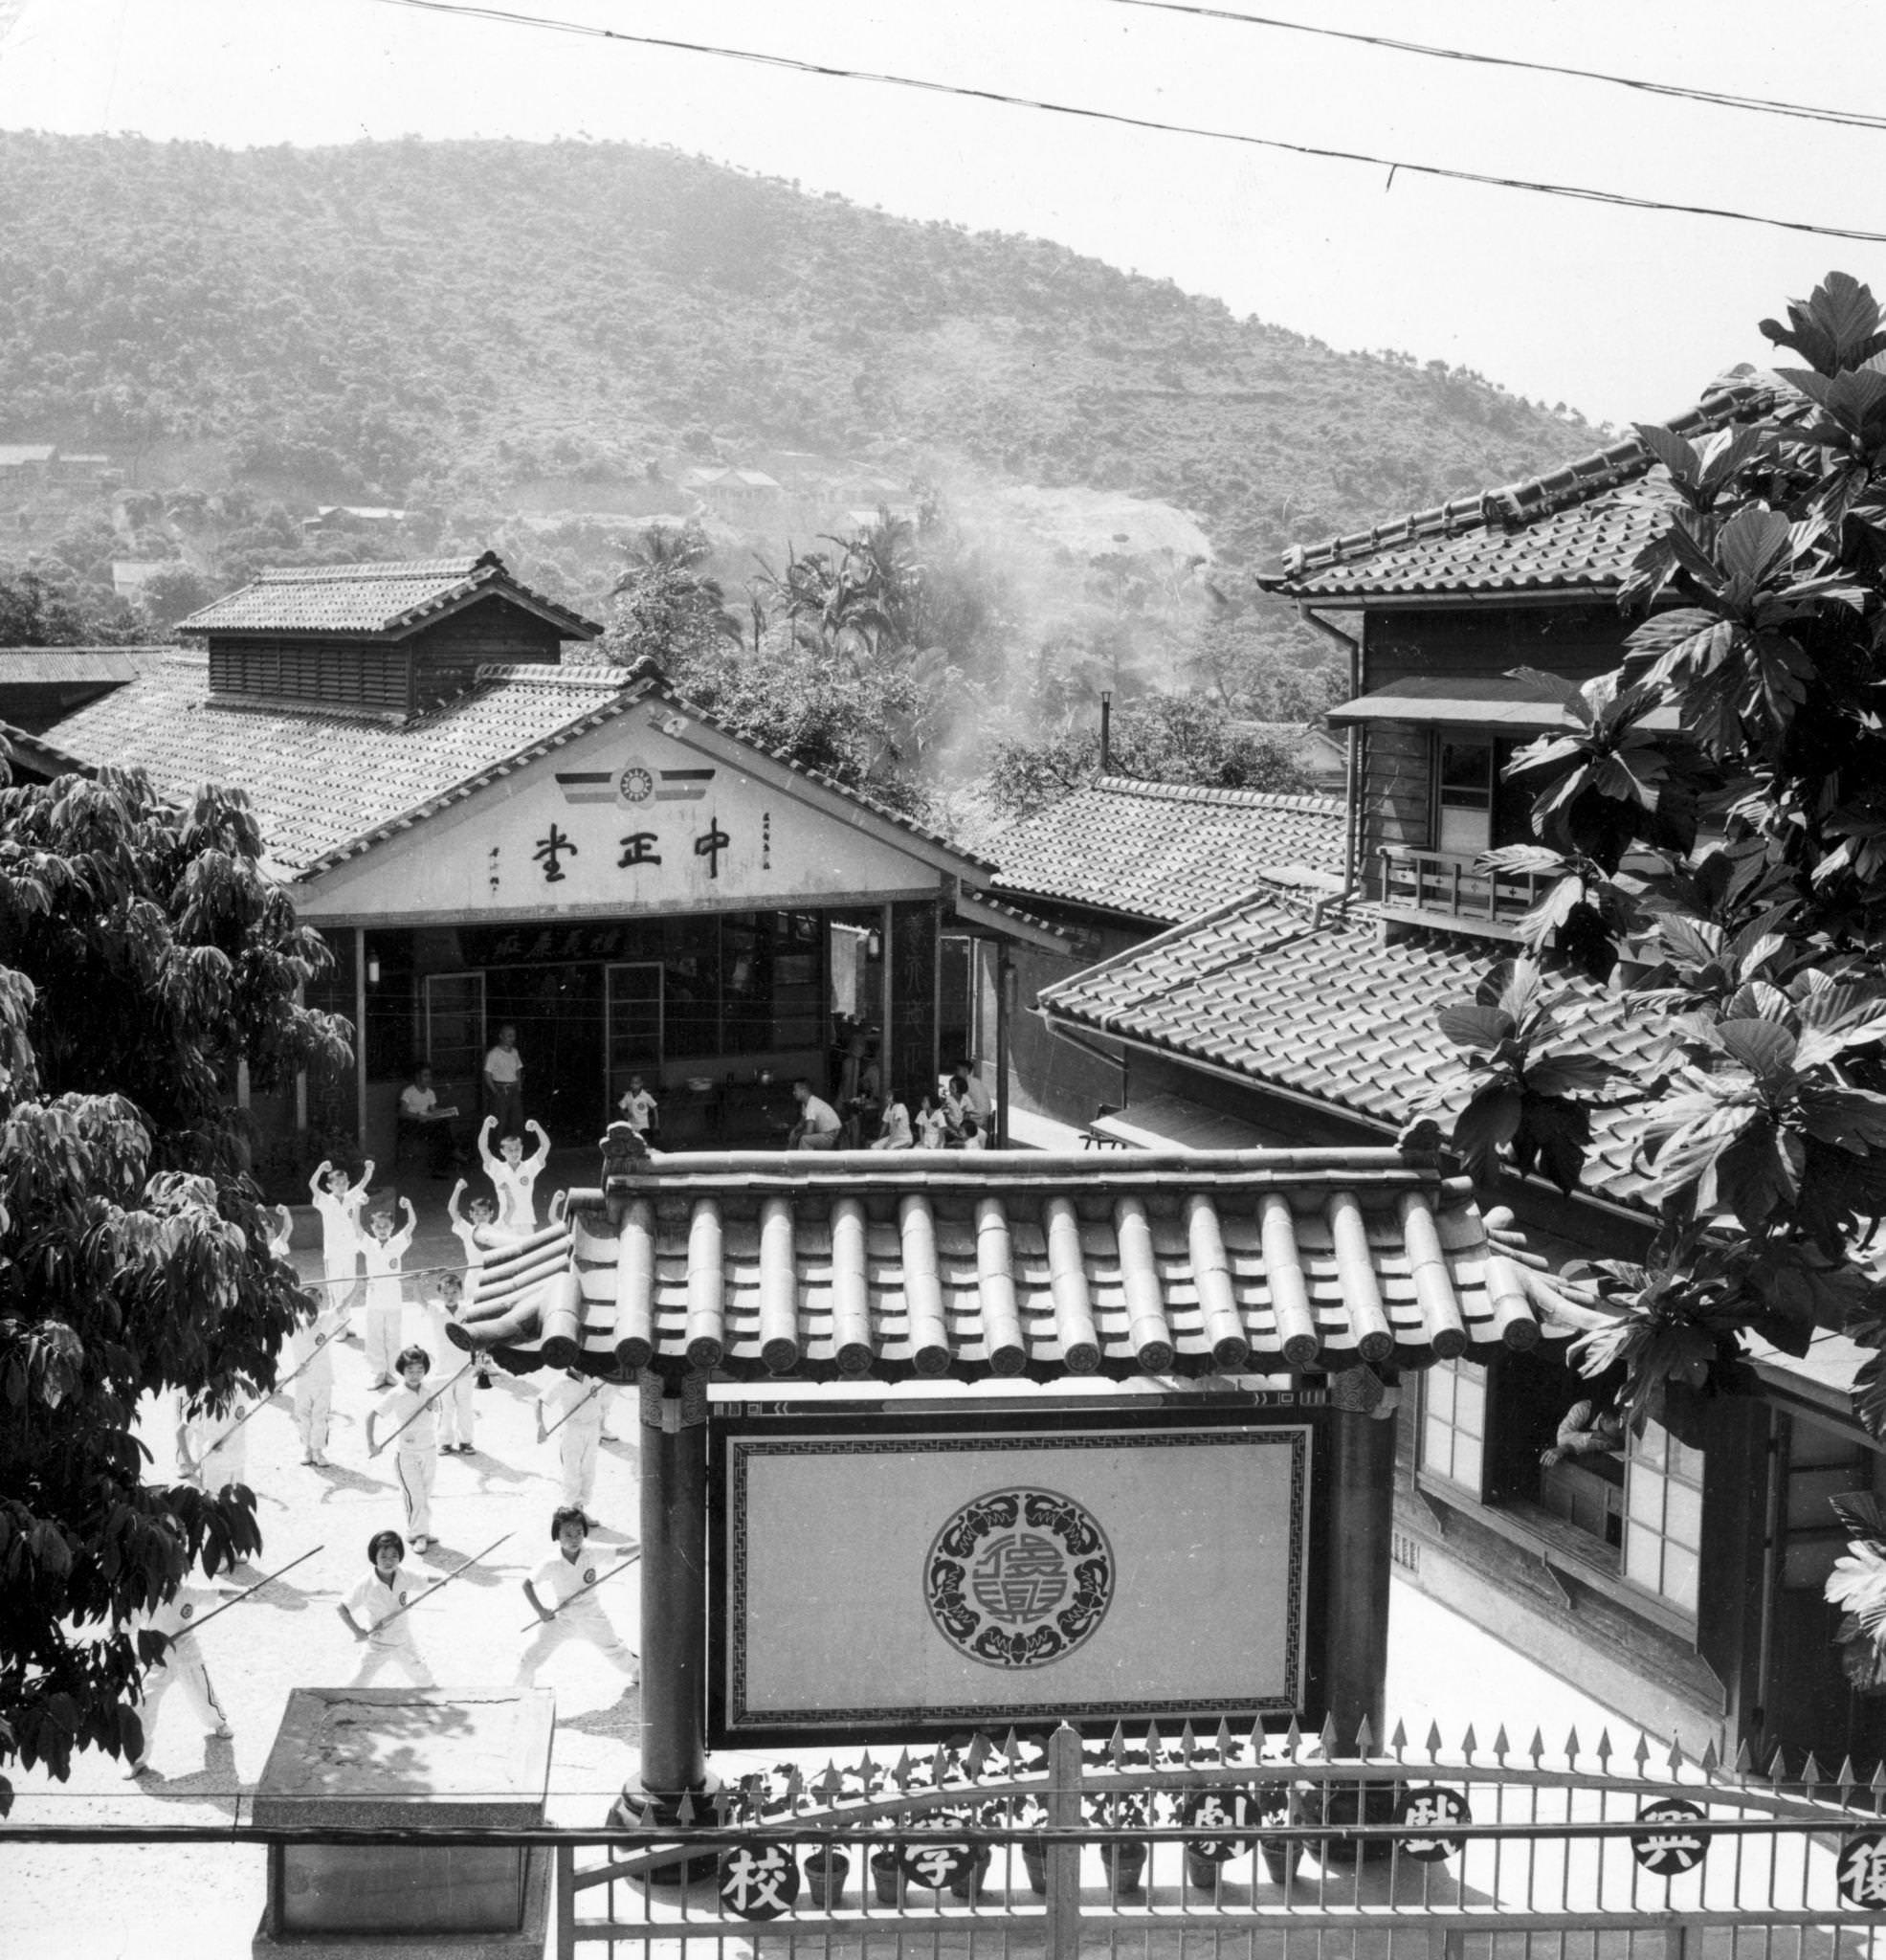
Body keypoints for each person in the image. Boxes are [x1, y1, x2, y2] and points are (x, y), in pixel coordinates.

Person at [122, 1568, 239, 1776]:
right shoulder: (144, 1600)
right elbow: (124, 1627)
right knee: (143, 1705)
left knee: (203, 1694)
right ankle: (137, 1760)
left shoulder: (187, 1592)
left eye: (172, 1579)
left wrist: (244, 1592)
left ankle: (218, 1723)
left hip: (188, 1655)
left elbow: (219, 1592)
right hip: (158, 1658)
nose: (169, 1584)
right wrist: (125, 1640)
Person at [515, 1506, 639, 1691]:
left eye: (579, 1533)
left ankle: (642, 1673)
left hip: (592, 1617)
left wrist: (649, 1544)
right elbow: (527, 1584)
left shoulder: (591, 1552)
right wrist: (540, 1610)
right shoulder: (551, 1562)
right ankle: (521, 1693)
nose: (574, 1539)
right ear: (556, 1535)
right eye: (568, 1534)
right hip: (562, 1619)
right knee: (530, 1657)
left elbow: (621, 1550)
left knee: (615, 1653)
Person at [276, 1204, 340, 1467]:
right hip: (302, 1378)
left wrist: (358, 1283)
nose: (311, 1306)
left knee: (321, 1415)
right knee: (302, 1413)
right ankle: (306, 1449)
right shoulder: (295, 1322)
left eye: (316, 1301)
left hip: (323, 1378)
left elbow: (344, 1303)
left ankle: (319, 1450)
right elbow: (284, 1301)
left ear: (322, 1303)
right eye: (307, 1301)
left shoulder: (326, 1320)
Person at [339, 1529, 437, 1687]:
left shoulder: (403, 1574)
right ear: (374, 1557)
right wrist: (357, 1631)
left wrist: (443, 1579)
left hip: (403, 1640)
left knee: (424, 1678)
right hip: (378, 1643)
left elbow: (423, 1578)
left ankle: (436, 1699)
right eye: (383, 1556)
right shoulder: (366, 1584)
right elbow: (342, 1608)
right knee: (357, 1682)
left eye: (394, 1556)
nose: (389, 1561)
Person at [367, 1345, 441, 1549]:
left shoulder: (430, 1390)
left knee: (425, 1494)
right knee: (414, 1495)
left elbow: (437, 1408)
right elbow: (371, 1415)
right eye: (410, 1371)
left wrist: (431, 1405)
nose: (415, 1375)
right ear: (402, 1370)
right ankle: (417, 1535)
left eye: (419, 1370)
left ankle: (422, 1530)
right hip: (407, 1454)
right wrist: (372, 1444)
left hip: (429, 1450)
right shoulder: (396, 1393)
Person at [448, 1180, 513, 1392]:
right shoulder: (467, 1229)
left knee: (492, 1319)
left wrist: (506, 1191)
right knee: (473, 1318)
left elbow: (510, 1209)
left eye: (484, 1213)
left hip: (493, 1277)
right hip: (473, 1277)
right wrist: (458, 1189)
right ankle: (475, 1361)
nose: (480, 1216)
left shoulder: (497, 1229)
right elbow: (452, 1211)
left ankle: (489, 1361)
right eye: (476, 1213)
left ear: (490, 1214)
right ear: (471, 1215)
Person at [309, 1156, 373, 1329]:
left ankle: (345, 1323)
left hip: (350, 1251)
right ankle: (336, 1328)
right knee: (335, 1290)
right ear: (329, 1186)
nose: (341, 1186)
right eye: (337, 1183)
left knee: (349, 1287)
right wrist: (321, 1168)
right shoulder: (324, 1200)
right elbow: (312, 1185)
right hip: (333, 1253)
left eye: (344, 1182)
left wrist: (369, 1168)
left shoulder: (352, 1196)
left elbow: (364, 1182)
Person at [360, 1197, 416, 1389]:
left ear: (392, 1226)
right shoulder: (368, 1244)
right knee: (374, 1335)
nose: (382, 1229)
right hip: (374, 1298)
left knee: (393, 1335)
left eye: (386, 1226)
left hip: (393, 1299)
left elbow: (412, 1224)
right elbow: (356, 1229)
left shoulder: (398, 1243)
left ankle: (392, 1372)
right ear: (372, 1228)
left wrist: (409, 1206)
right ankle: (378, 1373)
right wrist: (358, 1206)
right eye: (378, 1226)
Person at [536, 1367, 606, 1513]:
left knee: (589, 1470)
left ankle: (580, 1510)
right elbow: (539, 1401)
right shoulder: (561, 1381)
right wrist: (540, 1426)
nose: (579, 1365)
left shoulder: (594, 1375)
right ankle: (573, 1512)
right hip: (573, 1429)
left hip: (593, 1427)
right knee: (572, 1471)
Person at [425, 1272, 477, 1455]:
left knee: (465, 1405)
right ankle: (445, 1441)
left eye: (454, 1292)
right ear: (440, 1294)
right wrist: (415, 1283)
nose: (450, 1296)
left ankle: (466, 1441)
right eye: (446, 1293)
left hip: (465, 1365)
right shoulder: (436, 1310)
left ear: (461, 1293)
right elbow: (419, 1300)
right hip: (443, 1367)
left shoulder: (467, 1310)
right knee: (446, 1406)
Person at [479, 1114, 552, 1234]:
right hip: (505, 1223)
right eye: (510, 1150)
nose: (514, 1153)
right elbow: (483, 1148)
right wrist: (486, 1125)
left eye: (517, 1149)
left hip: (526, 1222)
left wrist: (537, 1127)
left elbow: (546, 1146)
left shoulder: (530, 1167)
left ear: (522, 1148)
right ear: (502, 1152)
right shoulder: (497, 1168)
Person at [176, 1389, 249, 1497]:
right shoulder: (202, 1404)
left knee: (236, 1508)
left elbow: (267, 1390)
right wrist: (188, 1461)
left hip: (238, 1465)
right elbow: (179, 1432)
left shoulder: (240, 1394)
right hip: (214, 1469)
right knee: (215, 1507)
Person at [399, 1063, 465, 1176]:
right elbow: (403, 1112)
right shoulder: (409, 1091)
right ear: (417, 1077)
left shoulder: (430, 1092)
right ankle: (451, 1155)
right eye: (425, 1076)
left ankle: (441, 1165)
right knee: (441, 1131)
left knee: (442, 1128)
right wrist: (419, 1117)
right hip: (413, 1123)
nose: (428, 1079)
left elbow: (433, 1110)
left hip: (426, 1122)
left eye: (429, 1076)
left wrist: (446, 1112)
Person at [481, 1022, 525, 1140]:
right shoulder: (493, 1054)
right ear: (501, 1036)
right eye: (509, 1036)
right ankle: (497, 1152)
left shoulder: (515, 1052)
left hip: (513, 1089)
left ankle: (515, 1149)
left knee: (517, 1120)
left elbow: (518, 1069)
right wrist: (495, 1091)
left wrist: (519, 1085)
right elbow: (487, 1074)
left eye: (513, 1036)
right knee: (500, 1122)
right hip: (501, 1089)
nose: (512, 1038)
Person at [787, 1077, 842, 1151]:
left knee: (805, 1140)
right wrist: (794, 1131)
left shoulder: (811, 1104)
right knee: (799, 1137)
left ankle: (806, 1162)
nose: (794, 1093)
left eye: (795, 1090)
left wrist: (797, 1136)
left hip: (830, 1136)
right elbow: (802, 1122)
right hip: (825, 1133)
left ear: (803, 1090)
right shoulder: (805, 1104)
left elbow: (809, 1131)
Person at [616, 1073, 659, 1141]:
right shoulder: (627, 1096)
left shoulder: (646, 1096)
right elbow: (621, 1107)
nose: (634, 1085)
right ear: (630, 1084)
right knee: (632, 1143)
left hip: (643, 1125)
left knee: (643, 1142)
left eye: (637, 1083)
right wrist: (625, 1113)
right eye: (633, 1083)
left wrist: (656, 1123)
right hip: (631, 1125)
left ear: (641, 1084)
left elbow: (655, 1107)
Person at [871, 1086, 914, 1150]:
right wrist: (879, 1139)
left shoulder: (900, 1106)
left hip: (904, 1138)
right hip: (894, 1137)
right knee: (874, 1147)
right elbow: (884, 1125)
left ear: (895, 1097)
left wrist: (889, 1142)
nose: (886, 1097)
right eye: (886, 1095)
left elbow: (895, 1125)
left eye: (889, 1095)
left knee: (890, 1148)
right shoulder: (888, 1108)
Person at [953, 1059, 993, 1125]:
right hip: (972, 1118)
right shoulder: (965, 1083)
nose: (955, 1073)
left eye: (957, 1070)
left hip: (977, 1121)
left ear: (965, 1071)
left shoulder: (973, 1085)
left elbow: (984, 1110)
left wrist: (967, 1116)